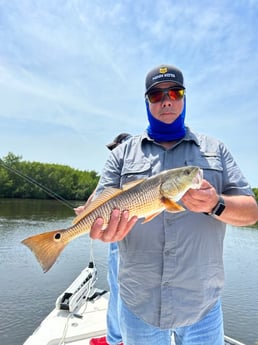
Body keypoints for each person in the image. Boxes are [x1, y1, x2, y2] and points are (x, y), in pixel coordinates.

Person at [89, 64, 258, 345]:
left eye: (174, 92)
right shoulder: (121, 155)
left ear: (184, 97)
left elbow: (251, 212)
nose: (166, 100)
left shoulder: (216, 149)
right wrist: (100, 230)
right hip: (138, 305)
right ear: (147, 102)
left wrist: (216, 203)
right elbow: (99, 204)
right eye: (156, 95)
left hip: (202, 306)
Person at [75, 133, 131, 345]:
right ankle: (117, 337)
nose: (113, 152)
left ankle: (117, 339)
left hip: (122, 233)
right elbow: (100, 193)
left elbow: (103, 194)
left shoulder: (128, 166)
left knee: (119, 289)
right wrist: (87, 212)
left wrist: (88, 211)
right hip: (119, 231)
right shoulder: (118, 168)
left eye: (116, 147)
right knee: (118, 287)